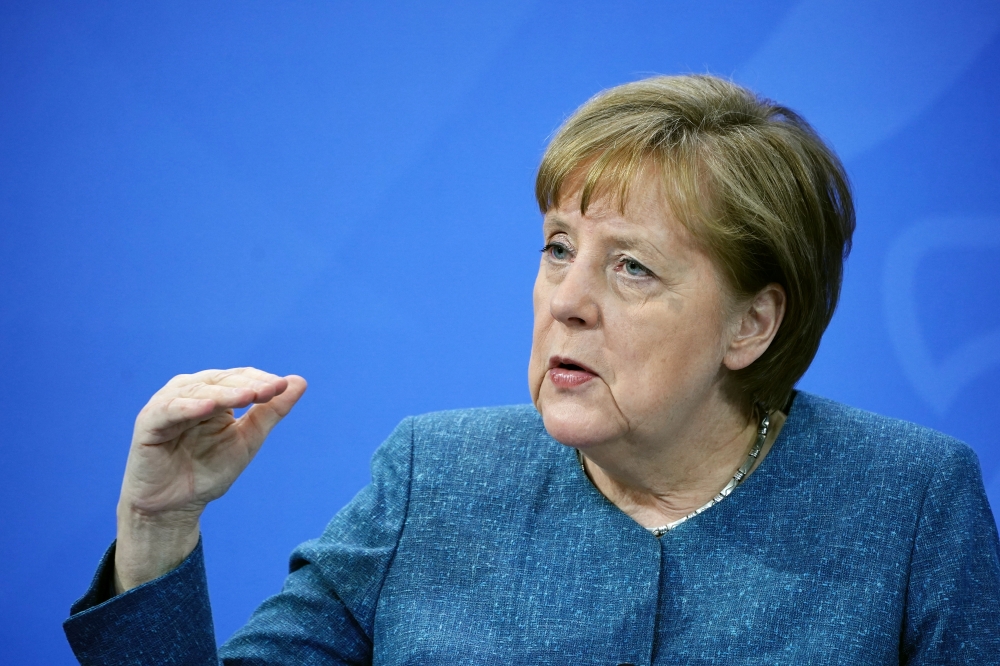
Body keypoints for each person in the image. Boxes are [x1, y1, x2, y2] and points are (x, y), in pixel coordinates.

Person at [64, 75, 1000, 664]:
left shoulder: (910, 503)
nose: (568, 299)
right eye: (559, 248)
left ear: (751, 324)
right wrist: (159, 528)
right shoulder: (435, 480)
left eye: (631, 266)